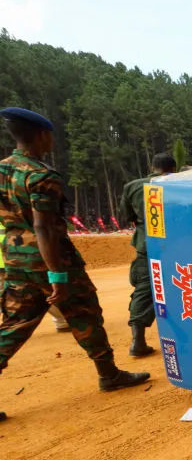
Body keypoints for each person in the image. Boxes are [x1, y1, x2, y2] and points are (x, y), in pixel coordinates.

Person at [0, 107, 149, 422]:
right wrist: (57, 275)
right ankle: (109, 375)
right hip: (51, 260)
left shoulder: (3, 170)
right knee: (85, 314)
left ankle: (110, 374)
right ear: (42, 135)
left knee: (13, 327)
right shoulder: (41, 175)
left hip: (15, 260)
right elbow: (44, 228)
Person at [118, 153, 177, 356]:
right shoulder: (179, 186)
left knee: (144, 289)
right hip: (179, 247)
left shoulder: (133, 187)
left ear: (152, 167)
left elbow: (126, 217)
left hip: (147, 245)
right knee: (186, 288)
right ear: (173, 169)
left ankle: (138, 341)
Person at [0, 219, 70, 331]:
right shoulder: (11, 213)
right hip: (16, 259)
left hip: (12, 260)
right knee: (40, 292)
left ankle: (62, 319)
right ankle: (62, 319)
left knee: (32, 294)